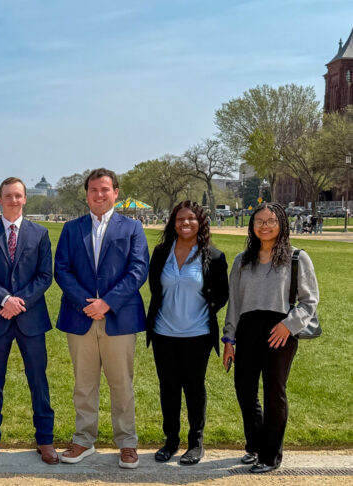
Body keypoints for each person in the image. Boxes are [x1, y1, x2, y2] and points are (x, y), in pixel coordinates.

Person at [53, 168, 149, 468]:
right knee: (84, 383)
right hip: (81, 317)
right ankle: (84, 439)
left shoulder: (132, 228)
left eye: (105, 189)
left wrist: (107, 303)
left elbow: (138, 270)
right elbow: (62, 270)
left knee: (121, 384)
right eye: (93, 190)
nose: (99, 195)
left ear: (115, 193)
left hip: (119, 318)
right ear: (86, 194)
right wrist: (88, 304)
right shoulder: (71, 229)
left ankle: (127, 442)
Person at [223, 202, 319, 473]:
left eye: (271, 220)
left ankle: (270, 455)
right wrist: (229, 339)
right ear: (252, 226)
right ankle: (254, 446)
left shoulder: (297, 257)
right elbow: (235, 303)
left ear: (282, 224)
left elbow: (309, 301)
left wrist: (289, 325)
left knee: (274, 392)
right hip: (247, 329)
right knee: (245, 389)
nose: (265, 226)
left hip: (280, 331)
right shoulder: (242, 260)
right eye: (259, 221)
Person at [0, 177, 58, 466]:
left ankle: (45, 440)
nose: (13, 200)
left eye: (18, 196)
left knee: (38, 381)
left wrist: (18, 301)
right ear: (0, 198)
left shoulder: (40, 233)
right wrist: (4, 300)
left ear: (25, 199)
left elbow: (45, 276)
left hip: (31, 319)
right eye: (8, 195)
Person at [145, 201, 229, 465]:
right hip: (163, 333)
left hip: (198, 334)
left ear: (200, 222)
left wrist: (206, 307)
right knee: (168, 388)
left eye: (191, 218)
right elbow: (154, 288)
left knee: (194, 388)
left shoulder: (213, 257)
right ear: (173, 222)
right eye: (180, 219)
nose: (185, 223)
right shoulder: (161, 252)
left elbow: (223, 294)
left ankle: (196, 443)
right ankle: (170, 441)